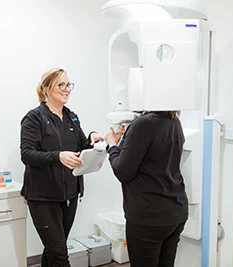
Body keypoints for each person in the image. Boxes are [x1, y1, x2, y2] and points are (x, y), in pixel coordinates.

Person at [20, 68, 104, 267]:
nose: (66, 89)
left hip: (69, 194)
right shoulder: (34, 118)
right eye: (61, 85)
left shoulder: (72, 116)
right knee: (60, 255)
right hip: (43, 197)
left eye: (68, 85)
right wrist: (58, 157)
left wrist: (92, 138)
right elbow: (27, 154)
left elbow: (81, 145)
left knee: (53, 251)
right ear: (47, 89)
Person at [105, 111, 188, 267]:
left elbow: (122, 172)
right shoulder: (174, 121)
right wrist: (126, 140)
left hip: (148, 216)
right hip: (175, 211)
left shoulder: (143, 124)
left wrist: (112, 146)